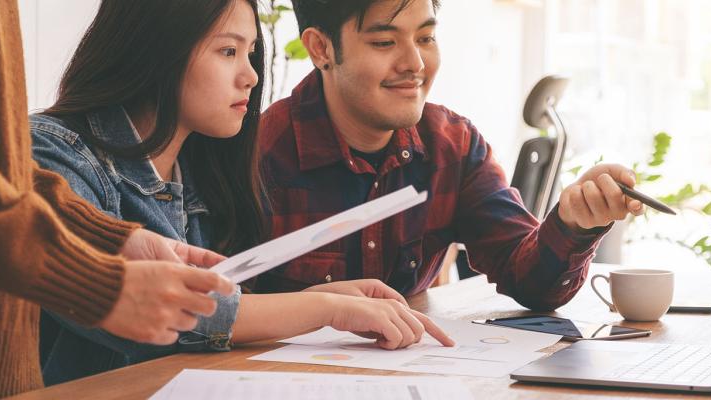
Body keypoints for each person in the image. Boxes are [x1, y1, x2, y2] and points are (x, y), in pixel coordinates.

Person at [30, 0, 452, 385]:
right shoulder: (53, 151)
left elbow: (206, 324)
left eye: (250, 53)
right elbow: (156, 310)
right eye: (228, 51)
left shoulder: (201, 172)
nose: (251, 75)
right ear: (157, 51)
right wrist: (325, 309)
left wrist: (310, 301)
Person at [0, 1, 236, 398]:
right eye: (229, 51)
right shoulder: (64, 146)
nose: (250, 75)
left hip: (7, 379)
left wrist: (109, 240)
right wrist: (95, 280)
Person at [253, 0, 645, 311]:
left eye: (425, 38)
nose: (415, 65)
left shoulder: (450, 145)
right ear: (321, 48)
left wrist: (574, 222)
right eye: (385, 42)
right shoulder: (257, 154)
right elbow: (213, 313)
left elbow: (529, 281)